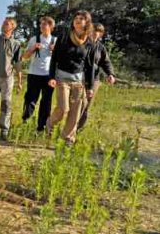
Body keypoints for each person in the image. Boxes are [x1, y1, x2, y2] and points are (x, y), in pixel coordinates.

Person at [46, 10, 95, 145]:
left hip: (78, 81)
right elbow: (54, 59)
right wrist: (51, 77)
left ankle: (67, 138)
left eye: (81, 18)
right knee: (63, 108)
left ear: (87, 22)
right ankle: (50, 123)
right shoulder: (64, 37)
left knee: (75, 111)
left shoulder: (89, 42)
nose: (78, 20)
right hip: (62, 78)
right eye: (76, 18)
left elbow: (90, 66)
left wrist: (89, 87)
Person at [21, 16, 57, 132]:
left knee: (46, 102)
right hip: (34, 74)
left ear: (51, 27)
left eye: (44, 24)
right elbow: (25, 57)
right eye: (41, 24)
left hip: (49, 76)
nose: (41, 27)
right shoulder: (34, 39)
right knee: (30, 99)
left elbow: (62, 60)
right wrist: (32, 49)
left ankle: (41, 128)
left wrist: (54, 51)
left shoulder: (55, 41)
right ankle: (25, 122)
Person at [77, 23, 116, 130]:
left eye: (98, 31)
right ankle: (70, 130)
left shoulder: (101, 47)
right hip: (80, 77)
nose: (95, 33)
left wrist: (110, 74)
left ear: (101, 34)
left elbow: (106, 62)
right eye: (94, 30)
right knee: (78, 104)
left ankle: (78, 130)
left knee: (86, 106)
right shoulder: (82, 43)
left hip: (94, 80)